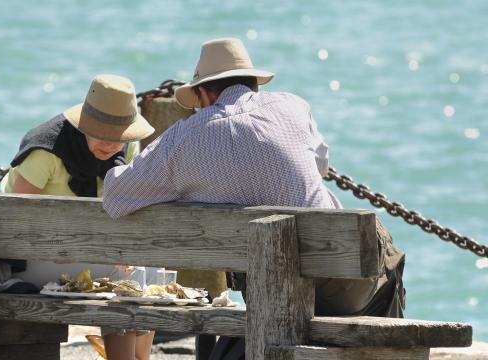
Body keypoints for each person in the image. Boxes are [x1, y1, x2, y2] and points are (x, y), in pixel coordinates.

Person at [102, 38, 405, 359]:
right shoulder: (293, 106)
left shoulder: (184, 137)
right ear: (253, 84)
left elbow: (116, 195)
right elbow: (320, 166)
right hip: (342, 283)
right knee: (388, 259)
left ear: (203, 94)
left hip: (267, 288)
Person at [0, 74, 157, 360]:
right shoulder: (46, 150)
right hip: (26, 261)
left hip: (87, 253)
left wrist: (121, 248)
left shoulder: (127, 145)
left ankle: (137, 358)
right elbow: (14, 224)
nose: (112, 146)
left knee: (150, 268)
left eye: (119, 137)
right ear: (84, 125)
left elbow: (128, 207)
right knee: (123, 277)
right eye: (103, 135)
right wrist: (72, 251)